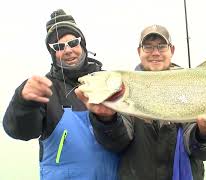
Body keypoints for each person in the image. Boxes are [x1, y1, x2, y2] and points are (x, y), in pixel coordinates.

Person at [75, 24, 206, 180]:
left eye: (161, 46)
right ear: (139, 51)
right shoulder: (123, 96)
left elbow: (199, 152)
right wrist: (106, 120)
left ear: (171, 50)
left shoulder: (191, 87)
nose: (155, 52)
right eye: (148, 47)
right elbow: (117, 143)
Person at [2, 9, 119, 180]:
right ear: (52, 54)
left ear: (83, 45)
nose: (68, 50)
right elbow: (20, 131)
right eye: (58, 46)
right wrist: (23, 102)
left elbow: (127, 137)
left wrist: (108, 118)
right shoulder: (45, 90)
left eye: (73, 43)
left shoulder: (107, 82)